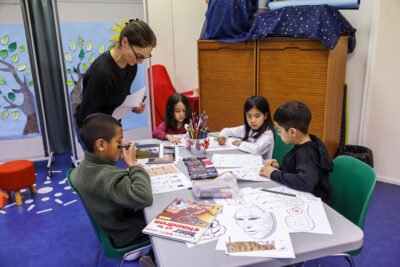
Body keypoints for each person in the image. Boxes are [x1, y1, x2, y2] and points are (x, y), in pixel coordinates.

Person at [69, 113, 153, 256]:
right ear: (101, 144)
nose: (122, 146)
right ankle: (153, 259)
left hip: (111, 226)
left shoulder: (82, 169)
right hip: (126, 232)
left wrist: (126, 174)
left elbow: (108, 184)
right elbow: (144, 197)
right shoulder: (107, 177)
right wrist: (133, 165)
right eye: (119, 142)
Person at [74, 19, 157, 128]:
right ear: (124, 42)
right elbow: (89, 116)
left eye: (144, 57)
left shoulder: (130, 65)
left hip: (111, 126)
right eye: (138, 55)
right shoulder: (100, 73)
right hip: (92, 130)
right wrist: (113, 138)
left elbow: (118, 95)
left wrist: (132, 106)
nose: (140, 61)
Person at [259, 101, 333, 204]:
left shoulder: (307, 153)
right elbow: (298, 171)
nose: (279, 135)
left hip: (313, 204)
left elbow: (305, 182)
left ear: (293, 132)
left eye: (279, 131)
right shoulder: (305, 144)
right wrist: (279, 169)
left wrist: (274, 174)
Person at [218, 95, 275, 159]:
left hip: (261, 167)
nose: (253, 120)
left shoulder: (268, 135)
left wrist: (241, 143)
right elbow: (227, 130)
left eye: (257, 116)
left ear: (265, 116)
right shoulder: (248, 129)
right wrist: (222, 136)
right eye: (249, 116)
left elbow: (257, 149)